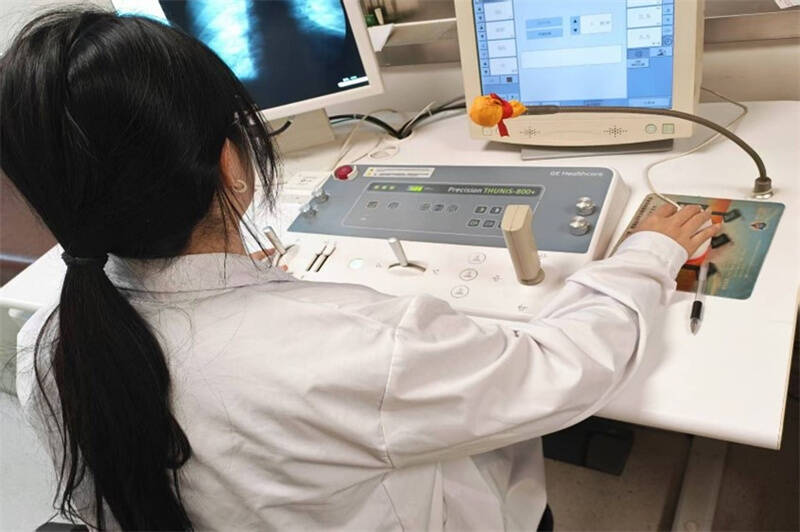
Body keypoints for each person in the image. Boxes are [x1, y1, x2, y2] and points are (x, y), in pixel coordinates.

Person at [1, 9, 719, 531]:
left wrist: (244, 287)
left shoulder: (46, 345)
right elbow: (564, 371)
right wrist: (646, 255)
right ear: (228, 161)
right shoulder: (363, 345)